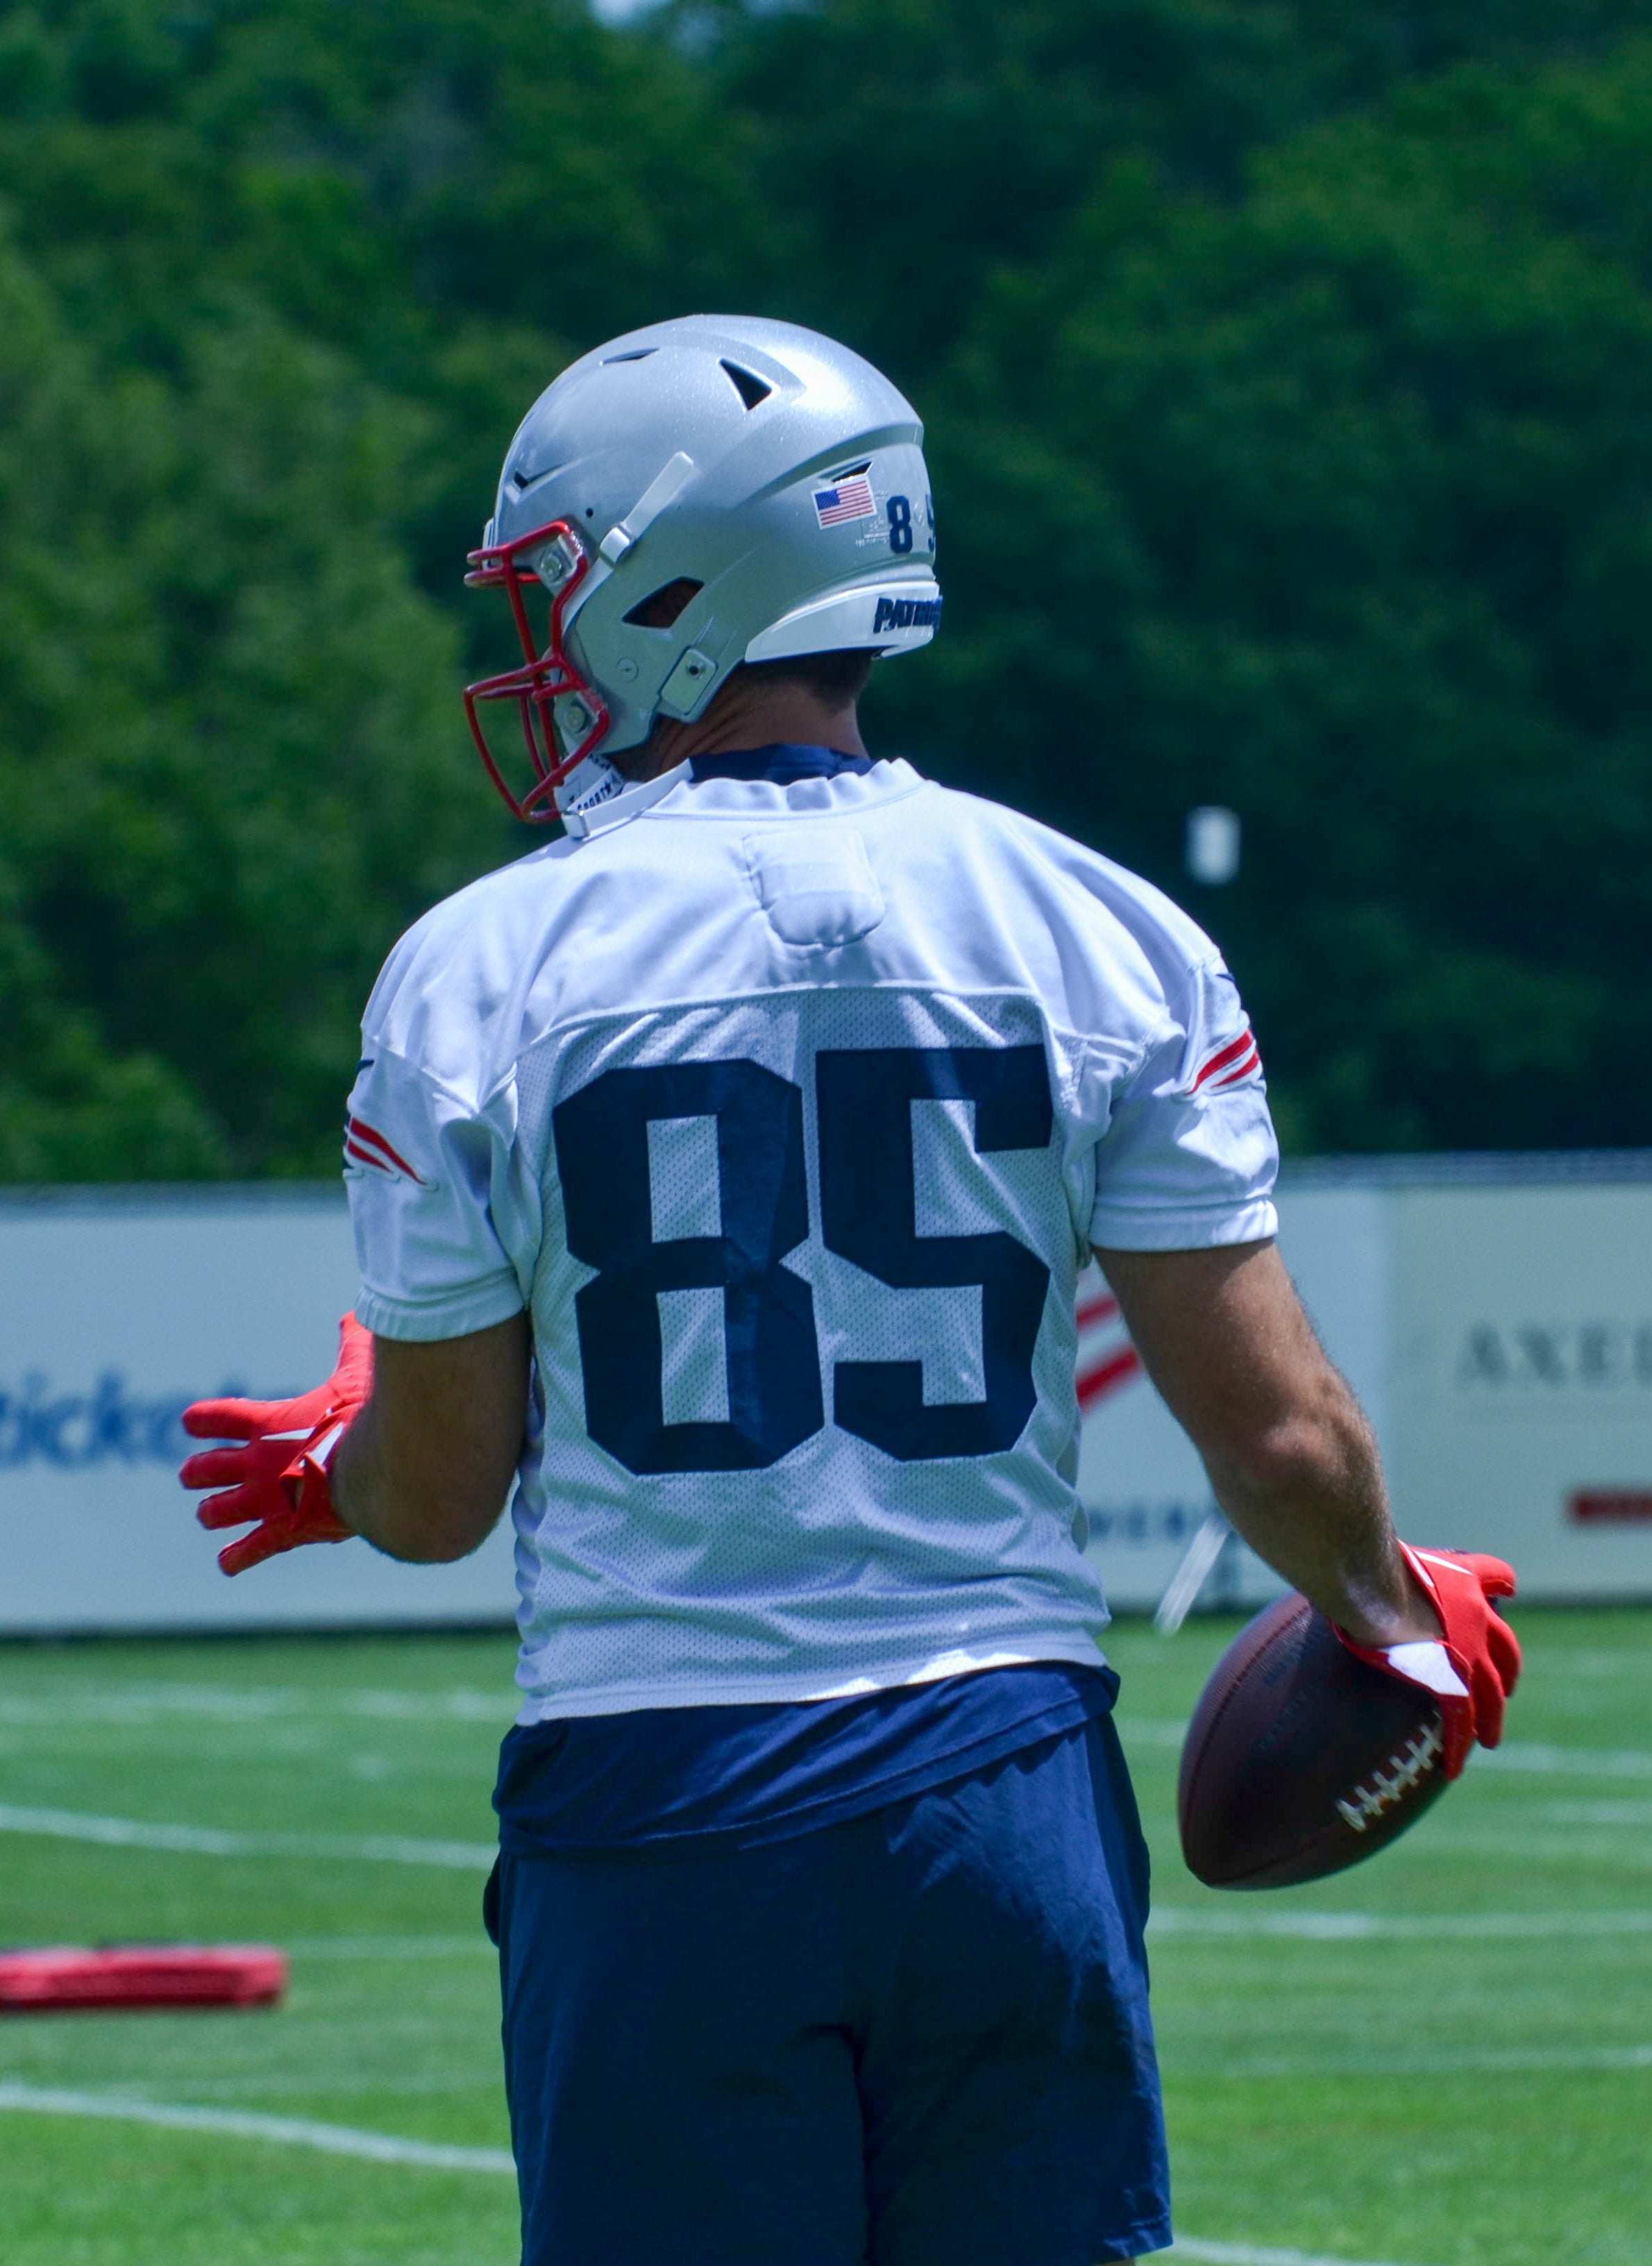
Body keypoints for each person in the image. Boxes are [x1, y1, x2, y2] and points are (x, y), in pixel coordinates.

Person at [179, 315, 1520, 2266]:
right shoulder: (1104, 928)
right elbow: (1284, 1440)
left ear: (675, 585)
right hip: (1003, 1786)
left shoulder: (479, 968)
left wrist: (347, 1460)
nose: (543, 645)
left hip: (665, 1795)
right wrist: (1390, 1613)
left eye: (556, 587)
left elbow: (439, 1495)